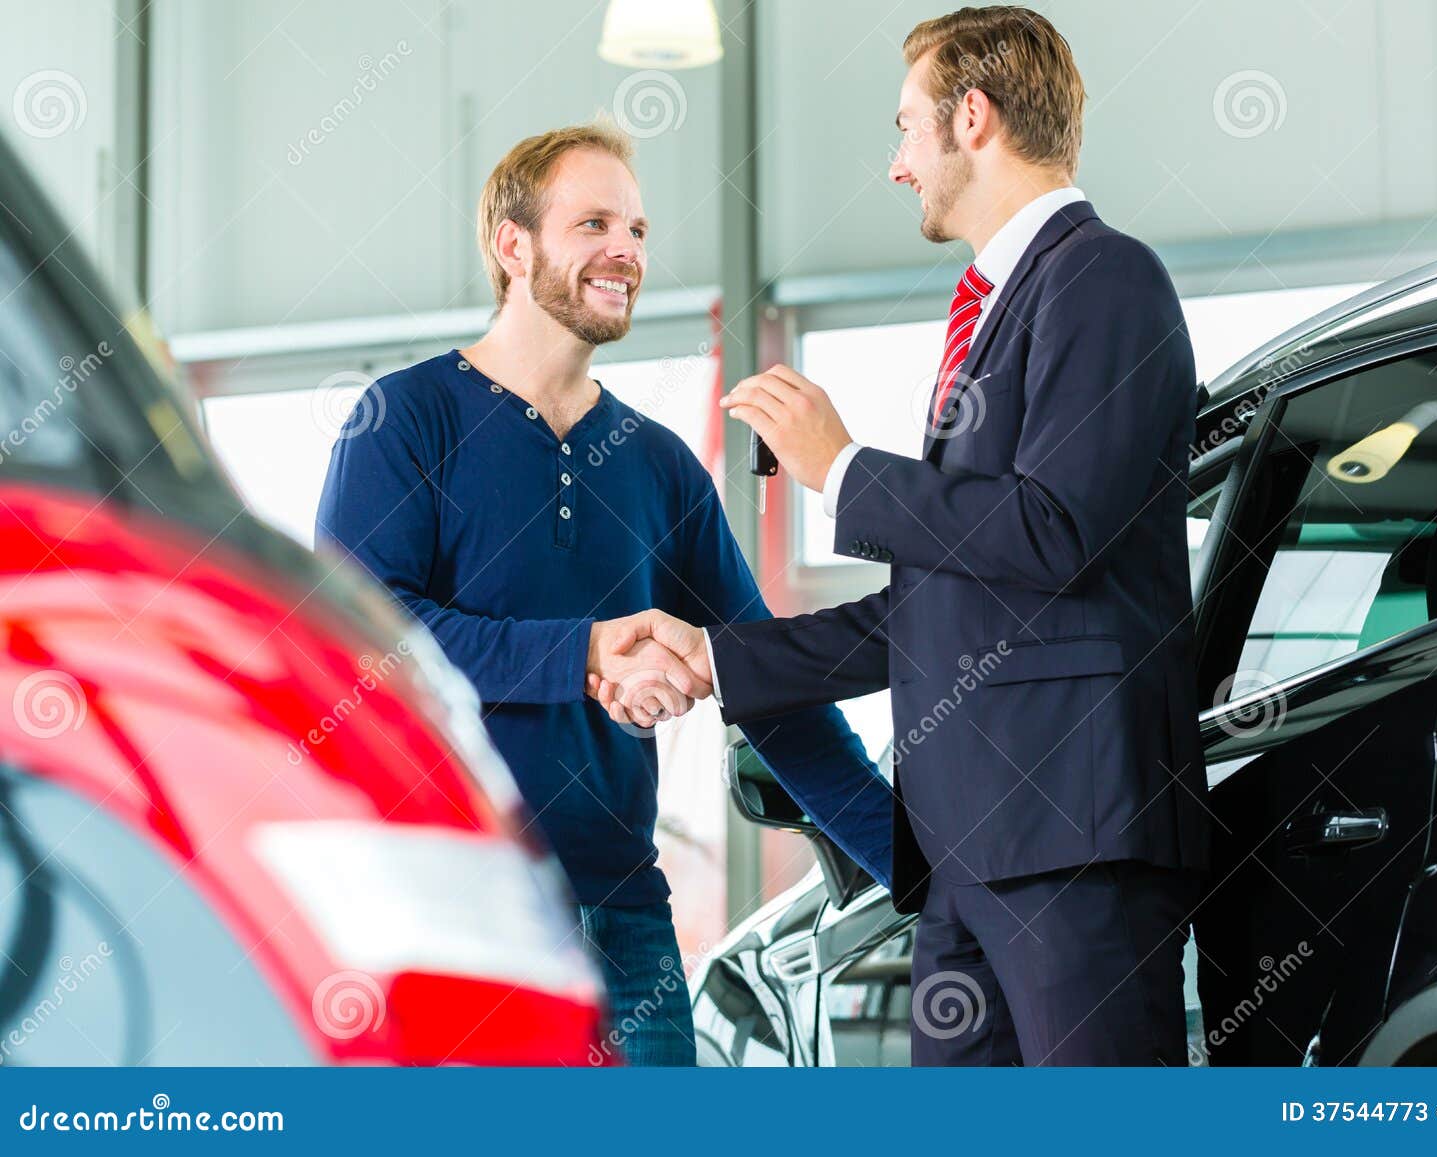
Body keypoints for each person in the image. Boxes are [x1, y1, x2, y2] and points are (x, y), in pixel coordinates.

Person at [598, 6, 1210, 1066]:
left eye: (904, 128)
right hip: (969, 858)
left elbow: (1053, 529)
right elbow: (939, 603)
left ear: (971, 117)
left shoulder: (1103, 278)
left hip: (1073, 839)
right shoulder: (991, 307)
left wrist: (839, 464)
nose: (895, 165)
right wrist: (715, 654)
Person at [315, 122, 892, 1067]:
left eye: (637, 228)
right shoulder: (403, 420)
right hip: (452, 913)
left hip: (627, 925)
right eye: (594, 223)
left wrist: (928, 870)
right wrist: (582, 653)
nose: (627, 250)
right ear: (514, 244)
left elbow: (773, 689)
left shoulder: (660, 467)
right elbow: (363, 638)